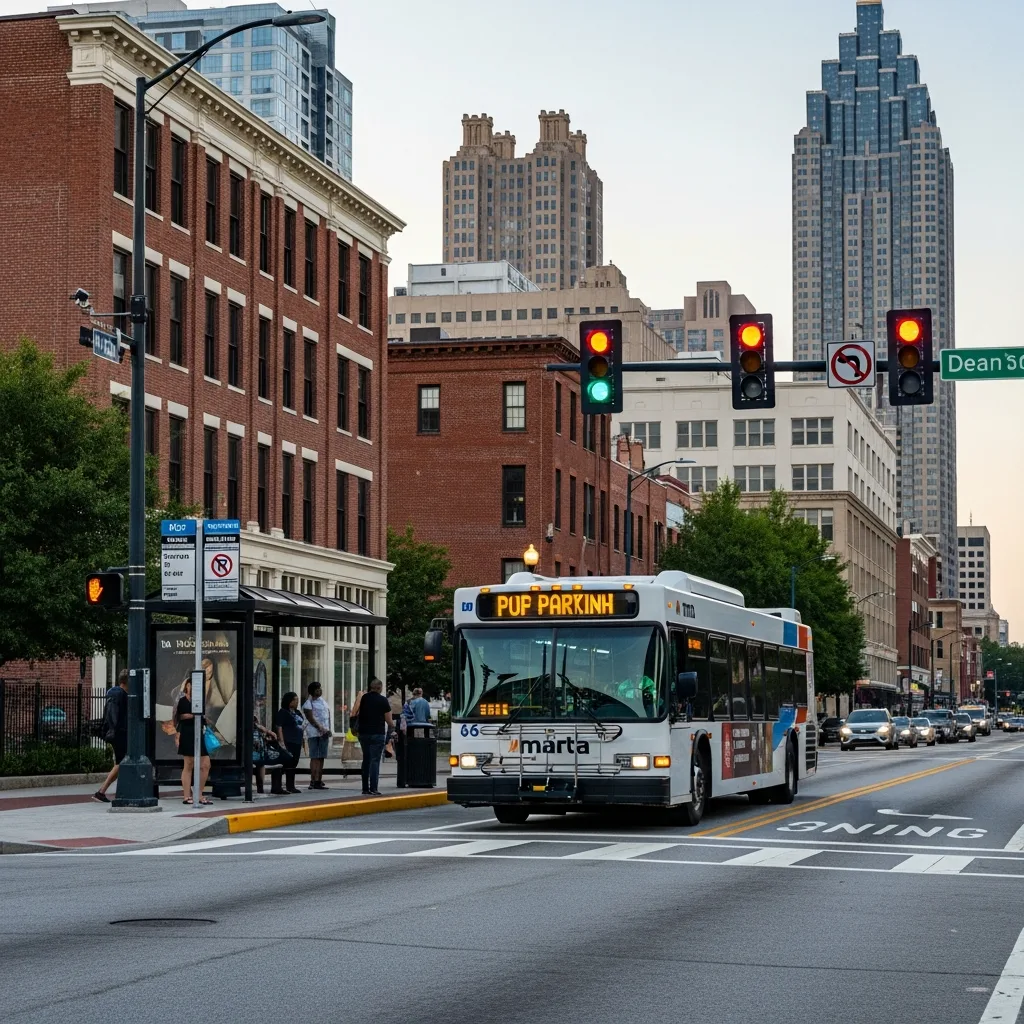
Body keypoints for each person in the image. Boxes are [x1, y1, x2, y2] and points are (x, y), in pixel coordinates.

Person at [92, 670, 129, 803]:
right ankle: (101, 791)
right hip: (119, 732)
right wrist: (113, 729)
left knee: (121, 761)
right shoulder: (119, 694)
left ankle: (102, 791)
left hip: (117, 732)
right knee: (122, 761)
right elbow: (113, 714)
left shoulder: (117, 694)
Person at [353, 678, 393, 796]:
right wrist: (393, 727)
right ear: (380, 688)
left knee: (366, 759)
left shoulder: (365, 698)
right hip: (377, 733)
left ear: (371, 687)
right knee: (375, 761)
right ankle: (374, 788)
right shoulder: (383, 700)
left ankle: (365, 788)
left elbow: (359, 713)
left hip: (364, 733)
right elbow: (389, 721)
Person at [175, 678, 211, 805]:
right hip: (187, 733)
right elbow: (181, 716)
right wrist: (195, 714)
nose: (192, 688)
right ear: (187, 686)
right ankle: (186, 796)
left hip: (199, 733)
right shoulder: (182, 700)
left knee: (205, 764)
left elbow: (203, 716)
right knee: (188, 764)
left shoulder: (200, 700)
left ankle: (199, 794)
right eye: (190, 685)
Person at [302, 681, 332, 790]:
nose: (319, 690)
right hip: (314, 733)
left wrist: (328, 729)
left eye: (320, 688)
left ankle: (319, 779)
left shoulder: (323, 701)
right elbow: (311, 719)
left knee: (321, 757)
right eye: (317, 689)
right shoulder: (308, 703)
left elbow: (326, 716)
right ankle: (313, 780)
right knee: (315, 757)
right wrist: (321, 728)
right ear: (312, 691)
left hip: (324, 733)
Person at [274, 691, 305, 794]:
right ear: (289, 701)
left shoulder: (297, 712)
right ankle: (278, 786)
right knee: (286, 762)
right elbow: (279, 727)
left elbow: (302, 726)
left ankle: (290, 785)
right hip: (288, 740)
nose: (297, 702)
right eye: (295, 700)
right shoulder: (283, 712)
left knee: (293, 763)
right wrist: (281, 741)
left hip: (297, 740)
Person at [253, 714, 286, 796]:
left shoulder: (258, 732)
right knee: (260, 763)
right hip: (255, 755)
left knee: (277, 761)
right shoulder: (255, 729)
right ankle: (261, 789)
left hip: (260, 754)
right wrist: (268, 731)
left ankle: (275, 788)